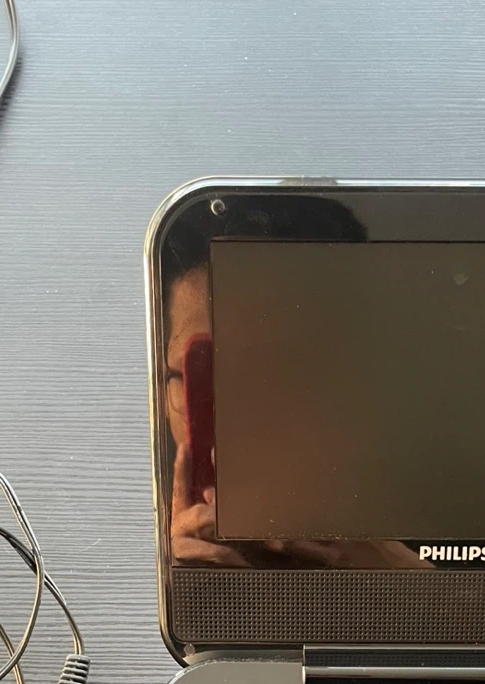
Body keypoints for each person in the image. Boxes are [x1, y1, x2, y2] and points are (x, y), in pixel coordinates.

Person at [159, 199, 430, 570]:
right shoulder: (126, 538)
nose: (251, 417)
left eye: (288, 369)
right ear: (161, 388)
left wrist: (400, 581)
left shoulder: (441, 508)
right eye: (207, 372)